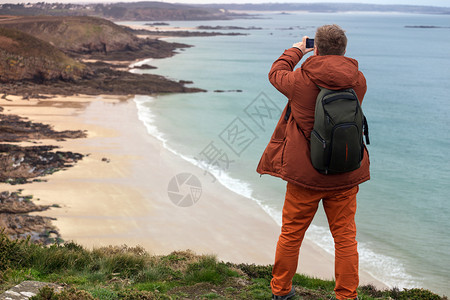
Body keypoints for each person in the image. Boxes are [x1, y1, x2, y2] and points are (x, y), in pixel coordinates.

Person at [257, 24, 370, 300]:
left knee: (291, 234)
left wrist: (297, 49)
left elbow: (275, 73)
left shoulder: (299, 82)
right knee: (345, 238)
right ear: (344, 50)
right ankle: (346, 296)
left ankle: (281, 291)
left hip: (305, 176)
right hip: (345, 172)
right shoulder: (358, 81)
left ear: (316, 49)